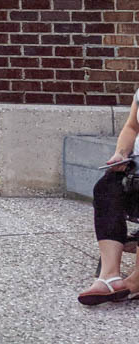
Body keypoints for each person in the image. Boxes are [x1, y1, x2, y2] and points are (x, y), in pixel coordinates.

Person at [77, 88, 139, 305]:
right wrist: (121, 154)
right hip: (135, 171)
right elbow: (132, 127)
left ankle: (137, 280)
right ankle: (109, 276)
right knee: (106, 187)